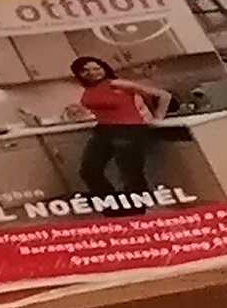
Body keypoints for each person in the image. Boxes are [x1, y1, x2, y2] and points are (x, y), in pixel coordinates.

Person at [67, 54, 169, 204]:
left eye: (96, 68)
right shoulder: (89, 88)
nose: (92, 73)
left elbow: (163, 95)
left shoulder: (117, 83)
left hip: (127, 130)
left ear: (104, 69)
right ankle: (113, 205)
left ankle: (138, 208)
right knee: (89, 171)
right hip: (103, 130)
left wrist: (158, 117)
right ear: (79, 73)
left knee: (130, 173)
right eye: (85, 70)